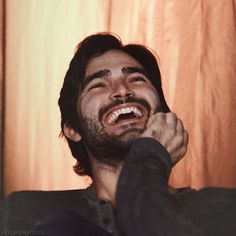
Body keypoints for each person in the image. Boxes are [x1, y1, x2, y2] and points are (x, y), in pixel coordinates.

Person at [1, 33, 236, 236]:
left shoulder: (223, 208)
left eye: (136, 79)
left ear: (162, 115)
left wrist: (150, 156)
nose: (123, 90)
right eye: (99, 85)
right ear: (73, 129)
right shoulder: (22, 211)